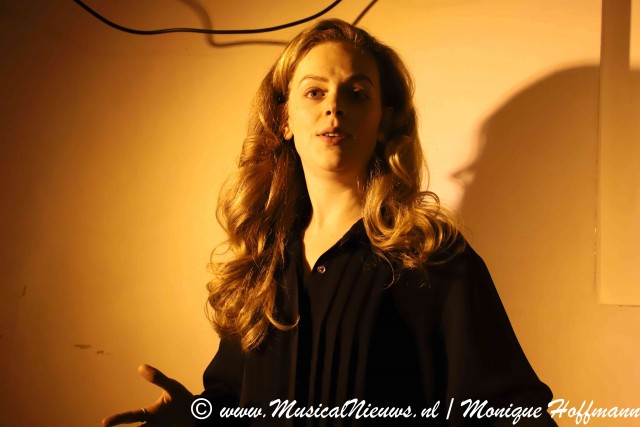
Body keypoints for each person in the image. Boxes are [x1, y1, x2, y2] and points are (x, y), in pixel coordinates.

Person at [103, 19, 557, 427]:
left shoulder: (430, 256)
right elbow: (234, 403)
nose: (334, 107)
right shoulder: (260, 260)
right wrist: (194, 416)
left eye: (356, 94)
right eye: (314, 92)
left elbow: (512, 410)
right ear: (284, 118)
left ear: (385, 122)